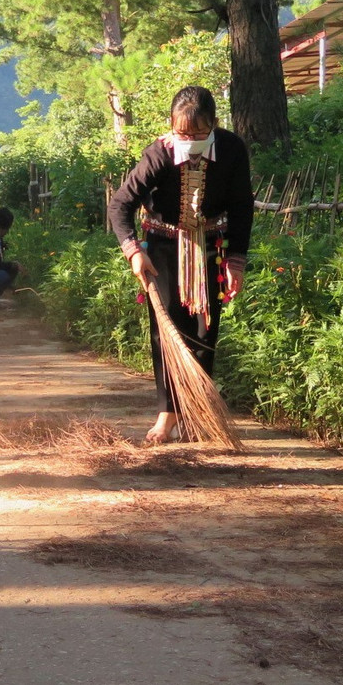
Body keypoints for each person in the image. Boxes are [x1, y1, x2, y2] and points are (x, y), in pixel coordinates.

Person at [106, 85, 253, 445]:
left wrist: (235, 261)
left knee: (204, 332)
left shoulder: (232, 150)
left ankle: (197, 415)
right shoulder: (159, 154)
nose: (189, 140)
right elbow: (120, 205)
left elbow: (241, 209)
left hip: (210, 248)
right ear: (171, 127)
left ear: (214, 125)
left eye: (198, 134)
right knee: (167, 330)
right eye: (182, 133)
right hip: (162, 249)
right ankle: (167, 416)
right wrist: (133, 251)